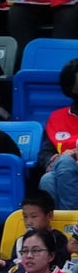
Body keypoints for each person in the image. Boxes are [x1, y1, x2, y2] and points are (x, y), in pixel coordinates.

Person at [0, 191, 70, 273]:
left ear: (49, 216)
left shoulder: (57, 238)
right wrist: (4, 263)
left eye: (34, 217)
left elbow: (60, 266)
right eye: (25, 217)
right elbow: (15, 262)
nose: (28, 222)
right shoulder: (21, 240)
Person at [37, 59, 78, 211]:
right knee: (47, 179)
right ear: (71, 88)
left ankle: (71, 220)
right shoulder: (57, 118)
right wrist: (52, 159)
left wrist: (72, 154)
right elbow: (44, 153)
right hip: (64, 174)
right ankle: (58, 231)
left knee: (64, 163)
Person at [8, 0, 78, 68]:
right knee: (17, 13)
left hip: (68, 0)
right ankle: (26, 66)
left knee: (69, 16)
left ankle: (61, 65)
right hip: (34, 1)